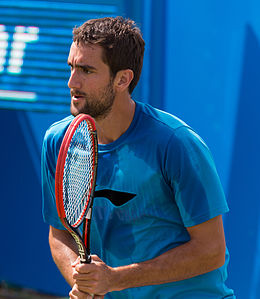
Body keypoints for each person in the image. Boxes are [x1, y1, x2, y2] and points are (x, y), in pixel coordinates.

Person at [41, 16, 235, 299]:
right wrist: (83, 280)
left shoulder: (176, 143)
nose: (72, 81)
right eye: (71, 67)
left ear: (123, 79)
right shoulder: (58, 142)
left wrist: (114, 279)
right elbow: (59, 234)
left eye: (86, 70)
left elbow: (211, 251)